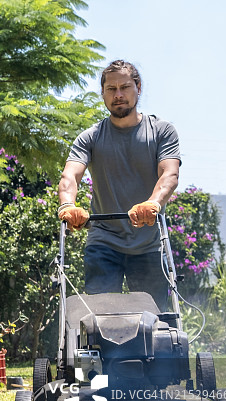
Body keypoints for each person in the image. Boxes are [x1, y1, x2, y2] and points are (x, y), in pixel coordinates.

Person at [57, 59, 181, 311]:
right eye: (111, 89)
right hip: (103, 242)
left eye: (124, 87)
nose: (118, 95)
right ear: (103, 94)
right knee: (101, 318)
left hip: (149, 245)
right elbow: (70, 175)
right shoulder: (90, 137)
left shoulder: (161, 131)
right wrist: (68, 205)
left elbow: (169, 174)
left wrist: (153, 203)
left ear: (138, 88)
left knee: (153, 319)